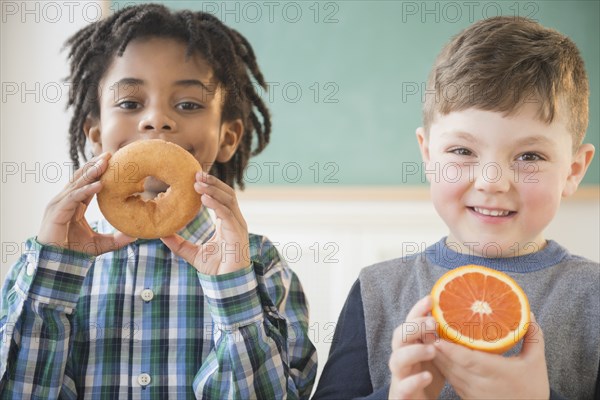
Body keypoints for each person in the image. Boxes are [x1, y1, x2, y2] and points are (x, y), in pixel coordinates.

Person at [0, 3, 317, 398]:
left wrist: (232, 289)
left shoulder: (259, 265)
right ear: (96, 135)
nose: (156, 120)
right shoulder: (44, 265)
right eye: (131, 104)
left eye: (188, 104)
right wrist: (54, 275)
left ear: (228, 136)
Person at [313, 16, 598, 399]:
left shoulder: (592, 296)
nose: (492, 181)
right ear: (428, 155)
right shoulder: (376, 291)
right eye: (462, 151)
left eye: (529, 155)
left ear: (573, 170)